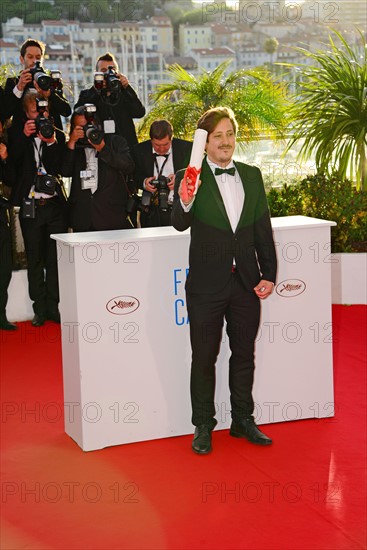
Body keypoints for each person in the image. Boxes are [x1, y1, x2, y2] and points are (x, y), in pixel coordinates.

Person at [171, 106, 277, 455]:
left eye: (230, 134)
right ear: (205, 142)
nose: (226, 141)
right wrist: (185, 199)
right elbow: (179, 222)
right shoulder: (192, 174)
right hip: (206, 284)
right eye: (218, 136)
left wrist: (269, 274)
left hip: (245, 282)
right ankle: (203, 425)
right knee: (204, 356)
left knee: (244, 354)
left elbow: (262, 228)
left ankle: (243, 420)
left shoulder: (251, 174)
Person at [6, 90, 68, 327]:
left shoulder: (56, 134)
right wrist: (23, 137)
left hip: (54, 207)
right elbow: (11, 172)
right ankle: (39, 309)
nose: (40, 116)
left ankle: (54, 307)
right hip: (31, 206)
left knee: (54, 261)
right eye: (35, 112)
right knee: (35, 260)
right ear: (25, 114)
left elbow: (61, 166)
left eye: (44, 112)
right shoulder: (16, 134)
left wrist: (50, 141)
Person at [61, 105, 135, 232]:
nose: (85, 131)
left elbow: (128, 166)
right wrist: (72, 142)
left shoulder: (115, 142)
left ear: (97, 125)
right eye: (80, 127)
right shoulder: (72, 148)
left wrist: (102, 149)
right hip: (83, 219)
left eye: (88, 126)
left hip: (112, 217)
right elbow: (65, 172)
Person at [3, 38, 71, 144]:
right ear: (22, 59)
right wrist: (19, 87)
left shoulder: (51, 81)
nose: (34, 61)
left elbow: (66, 111)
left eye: (38, 57)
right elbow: (5, 112)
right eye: (30, 57)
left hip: (50, 141)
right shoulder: (13, 82)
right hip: (24, 142)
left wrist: (49, 94)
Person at [75, 52, 145, 149]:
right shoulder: (88, 94)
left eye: (112, 70)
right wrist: (97, 90)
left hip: (125, 151)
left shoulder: (124, 94)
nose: (108, 74)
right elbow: (78, 113)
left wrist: (127, 88)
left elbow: (139, 112)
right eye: (103, 71)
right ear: (96, 74)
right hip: (100, 149)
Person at [132, 119, 192, 227]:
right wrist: (144, 182)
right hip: (150, 211)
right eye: (157, 145)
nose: (161, 149)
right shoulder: (139, 150)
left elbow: (196, 173)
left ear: (171, 138)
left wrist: (179, 179)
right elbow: (132, 176)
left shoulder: (187, 148)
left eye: (165, 144)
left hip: (179, 208)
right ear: (151, 140)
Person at [0, 94, 17, 331]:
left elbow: (12, 180)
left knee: (4, 268)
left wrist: (4, 159)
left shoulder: (6, 148)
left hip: (1, 213)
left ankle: (1, 315)